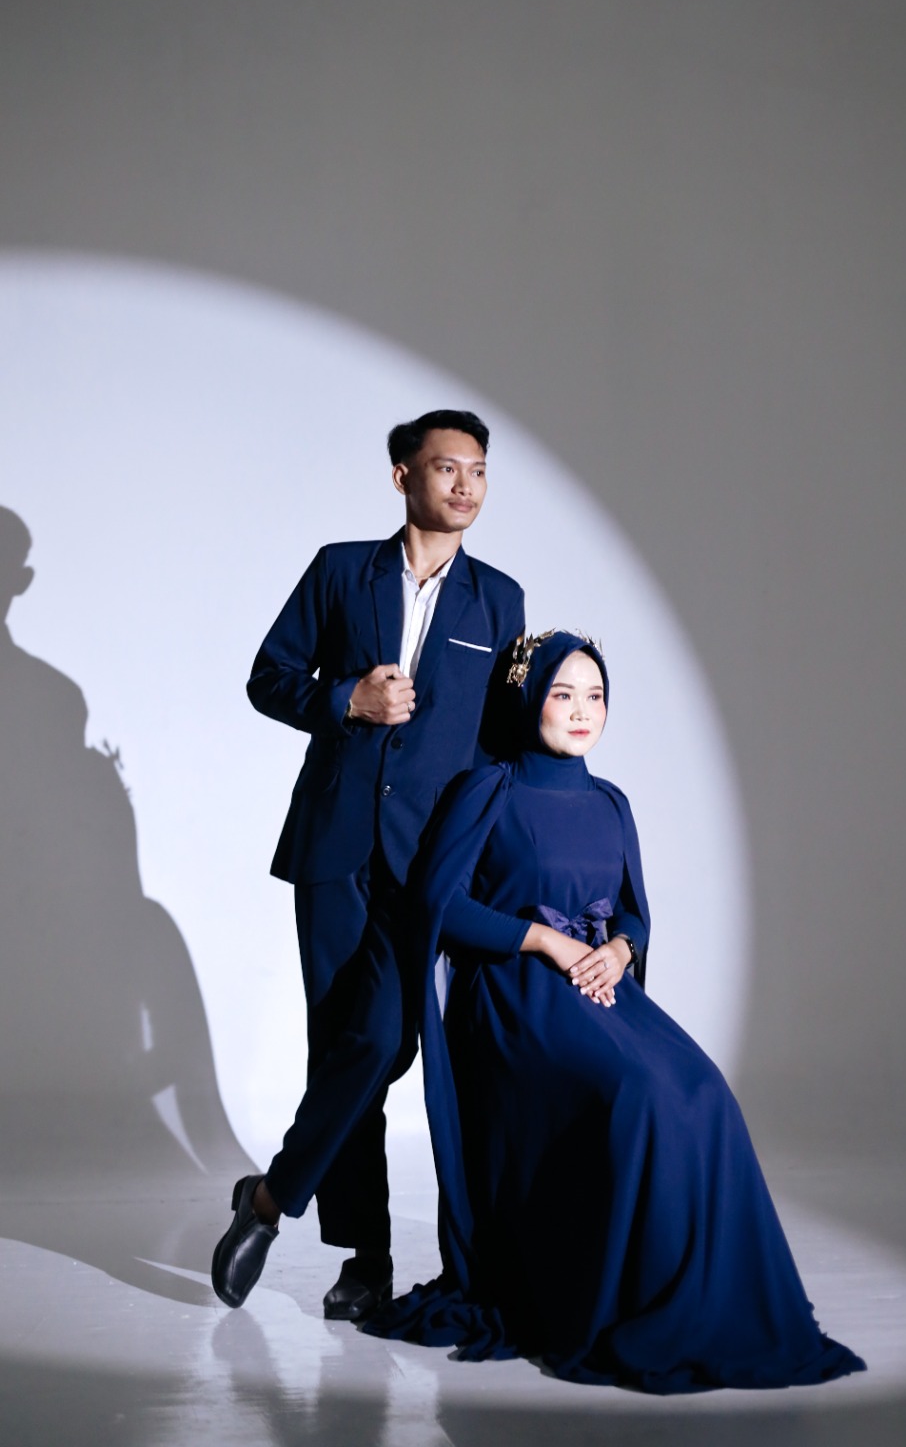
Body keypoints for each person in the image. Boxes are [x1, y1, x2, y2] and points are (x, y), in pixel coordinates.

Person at [365, 630, 866, 1393]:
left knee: (705, 1094)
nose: (581, 711)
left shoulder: (610, 802)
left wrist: (623, 951)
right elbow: (439, 905)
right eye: (563, 694)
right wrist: (545, 940)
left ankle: (699, 1303)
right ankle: (610, 1297)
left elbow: (633, 911)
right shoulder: (488, 789)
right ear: (527, 700)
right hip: (514, 996)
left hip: (601, 988)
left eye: (595, 696)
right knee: (637, 1095)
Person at [211, 410, 525, 1318]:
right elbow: (270, 676)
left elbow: (500, 741)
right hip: (335, 847)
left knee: (381, 1044)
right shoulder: (340, 570)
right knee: (341, 1044)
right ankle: (366, 1259)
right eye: (447, 467)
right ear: (402, 477)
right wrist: (347, 697)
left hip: (428, 861)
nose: (465, 485)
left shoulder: (498, 599)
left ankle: (268, 1199)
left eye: (478, 470)